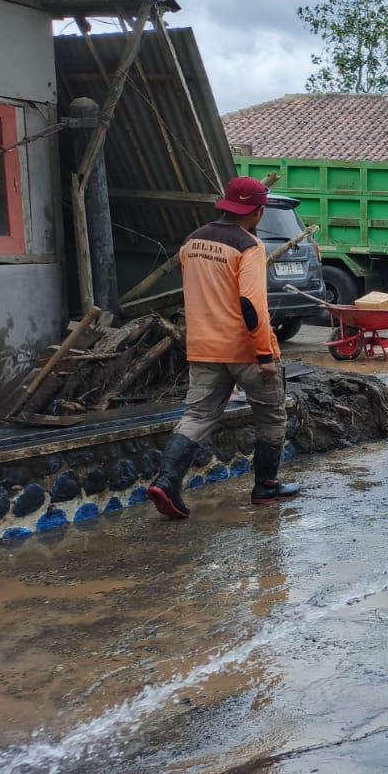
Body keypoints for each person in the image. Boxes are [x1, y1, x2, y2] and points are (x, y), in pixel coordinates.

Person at [147, 178, 300, 519]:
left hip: (203, 347)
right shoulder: (249, 246)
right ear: (258, 211)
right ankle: (265, 487)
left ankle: (167, 481)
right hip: (245, 349)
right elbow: (251, 304)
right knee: (272, 414)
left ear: (225, 204)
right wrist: (264, 354)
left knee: (197, 416)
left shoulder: (191, 242)